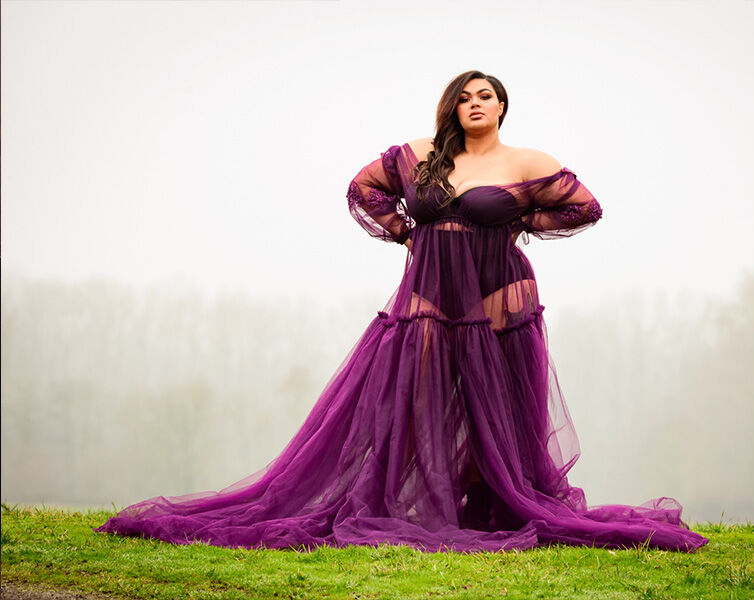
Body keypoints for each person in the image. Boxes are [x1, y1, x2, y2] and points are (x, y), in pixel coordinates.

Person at [93, 70, 710, 553]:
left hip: (497, 292)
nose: (475, 104)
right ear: (452, 108)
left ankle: (497, 502)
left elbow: (585, 207)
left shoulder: (526, 161)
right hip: (429, 289)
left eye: (485, 96)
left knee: (496, 404)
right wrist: (405, 232)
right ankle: (401, 503)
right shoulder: (419, 153)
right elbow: (363, 187)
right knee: (414, 396)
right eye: (464, 97)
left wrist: (523, 219)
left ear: (502, 107)